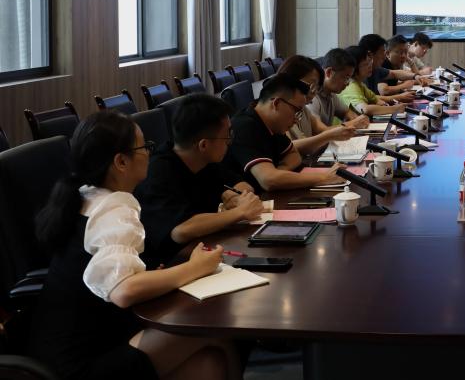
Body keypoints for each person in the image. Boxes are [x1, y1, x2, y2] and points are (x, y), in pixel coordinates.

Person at [31, 111, 240, 380]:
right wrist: (197, 267)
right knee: (214, 327)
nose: (150, 153)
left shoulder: (86, 195)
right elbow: (123, 290)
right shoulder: (113, 210)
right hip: (84, 363)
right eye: (144, 147)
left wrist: (153, 276)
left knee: (208, 364)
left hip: (65, 349)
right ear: (121, 161)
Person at [135, 94, 264, 268]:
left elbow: (242, 185)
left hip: (202, 250)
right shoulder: (158, 172)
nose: (229, 142)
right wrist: (239, 212)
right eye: (227, 136)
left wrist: (237, 197)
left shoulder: (204, 160)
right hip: (165, 264)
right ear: (203, 145)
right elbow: (181, 230)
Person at [223, 74, 346, 193]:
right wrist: (323, 178)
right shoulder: (244, 126)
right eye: (296, 111)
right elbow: (269, 180)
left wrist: (279, 173)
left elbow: (294, 155)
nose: (296, 120)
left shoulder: (272, 124)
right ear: (276, 103)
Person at [277, 54, 362, 156]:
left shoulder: (304, 108)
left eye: (316, 87)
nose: (314, 92)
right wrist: (329, 136)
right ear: (290, 81)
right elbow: (289, 147)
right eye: (311, 85)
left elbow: (322, 130)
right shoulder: (279, 109)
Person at [308, 47, 370, 129]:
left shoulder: (331, 94)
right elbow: (321, 131)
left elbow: (347, 112)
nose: (347, 83)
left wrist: (357, 119)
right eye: (346, 78)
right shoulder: (311, 97)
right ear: (329, 72)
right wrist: (353, 123)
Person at [340, 45, 408, 116]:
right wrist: (395, 109)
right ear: (354, 67)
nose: (370, 66)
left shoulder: (360, 84)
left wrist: (385, 105)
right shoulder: (351, 86)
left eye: (370, 63)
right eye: (365, 64)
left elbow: (376, 100)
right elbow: (365, 109)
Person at [358, 33, 419, 100]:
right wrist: (402, 91)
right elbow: (383, 92)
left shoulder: (376, 69)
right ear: (370, 54)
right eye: (382, 52)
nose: (384, 57)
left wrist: (415, 76)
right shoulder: (360, 76)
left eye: (405, 52)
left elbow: (394, 73)